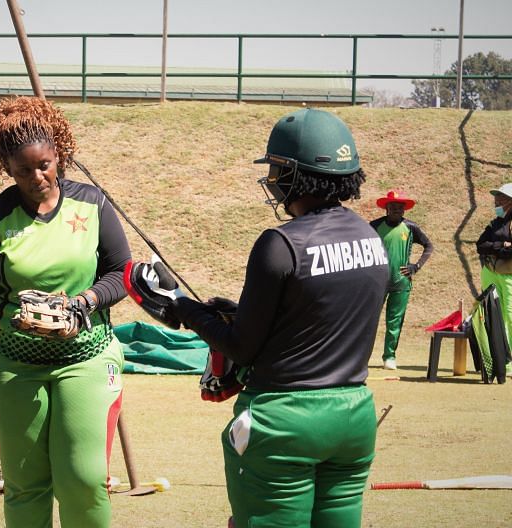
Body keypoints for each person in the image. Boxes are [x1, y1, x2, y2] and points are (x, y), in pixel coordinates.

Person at [127, 108, 389, 527]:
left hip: (284, 420)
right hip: (354, 416)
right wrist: (232, 311)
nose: (272, 179)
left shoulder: (280, 243)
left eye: (278, 169)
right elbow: (315, 316)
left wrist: (179, 303)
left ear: (297, 174)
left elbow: (240, 347)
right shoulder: (371, 238)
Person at [0, 96, 131, 528]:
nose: (38, 177)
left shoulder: (92, 205)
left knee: (85, 479)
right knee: (26, 483)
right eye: (23, 171)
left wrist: (83, 304)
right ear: (7, 169)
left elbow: (121, 273)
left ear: (60, 155)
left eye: (45, 165)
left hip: (86, 358)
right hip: (13, 364)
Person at [370, 190, 434, 370]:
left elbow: (429, 246)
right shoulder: (374, 226)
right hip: (377, 282)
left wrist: (416, 266)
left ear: (404, 210)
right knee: (369, 319)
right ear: (386, 208)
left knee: (394, 321)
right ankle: (361, 357)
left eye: (400, 207)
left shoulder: (411, 227)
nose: (397, 209)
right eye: (393, 206)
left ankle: (389, 357)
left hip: (401, 282)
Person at [476, 182, 512, 372]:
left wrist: (500, 247)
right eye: (496, 196)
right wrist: (501, 246)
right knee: (488, 312)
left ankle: (509, 359)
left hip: (509, 276)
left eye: (502, 197)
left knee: (509, 316)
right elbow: (480, 245)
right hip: (490, 271)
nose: (496, 200)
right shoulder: (495, 223)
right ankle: (492, 357)